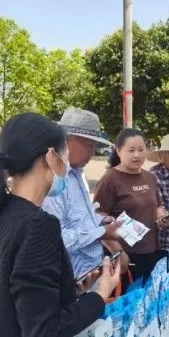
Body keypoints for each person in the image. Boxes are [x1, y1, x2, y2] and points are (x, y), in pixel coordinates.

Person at [0, 113, 120, 337]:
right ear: (50, 157)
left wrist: (69, 289)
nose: (67, 164)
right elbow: (42, 334)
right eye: (64, 154)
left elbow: (14, 294)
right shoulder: (39, 225)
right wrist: (99, 294)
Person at [41, 108, 124, 280]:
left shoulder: (77, 174)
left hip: (89, 276)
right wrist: (102, 232)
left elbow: (77, 217)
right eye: (89, 145)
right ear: (66, 141)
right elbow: (56, 237)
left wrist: (99, 221)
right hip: (72, 281)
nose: (93, 153)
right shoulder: (55, 181)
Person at [93, 128, 169, 287]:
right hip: (125, 257)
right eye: (131, 150)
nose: (137, 155)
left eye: (141, 150)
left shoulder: (150, 177)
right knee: (127, 298)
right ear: (118, 151)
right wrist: (118, 252)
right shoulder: (110, 180)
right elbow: (97, 219)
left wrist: (161, 216)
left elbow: (158, 205)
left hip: (150, 251)